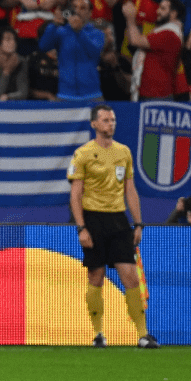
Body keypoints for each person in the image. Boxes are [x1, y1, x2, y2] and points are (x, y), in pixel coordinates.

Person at [67, 104, 157, 348]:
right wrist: (81, 228)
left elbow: (130, 189)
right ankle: (98, 334)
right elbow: (75, 195)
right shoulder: (83, 154)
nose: (111, 123)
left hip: (118, 220)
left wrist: (138, 223)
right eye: (106, 120)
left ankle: (142, 334)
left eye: (113, 119)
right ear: (94, 124)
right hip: (93, 219)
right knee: (96, 275)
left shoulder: (123, 152)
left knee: (130, 274)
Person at [38, 0, 105, 99]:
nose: (77, 11)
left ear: (90, 13)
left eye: (82, 8)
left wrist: (80, 31)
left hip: (92, 94)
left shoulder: (97, 34)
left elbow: (94, 52)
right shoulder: (61, 32)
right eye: (74, 7)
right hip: (65, 94)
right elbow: (43, 46)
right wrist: (53, 24)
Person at [123, 0, 187, 99]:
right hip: (150, 93)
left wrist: (130, 18)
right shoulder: (163, 32)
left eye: (162, 9)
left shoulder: (170, 35)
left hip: (157, 96)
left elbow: (136, 40)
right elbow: (133, 40)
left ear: (173, 13)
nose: (158, 11)